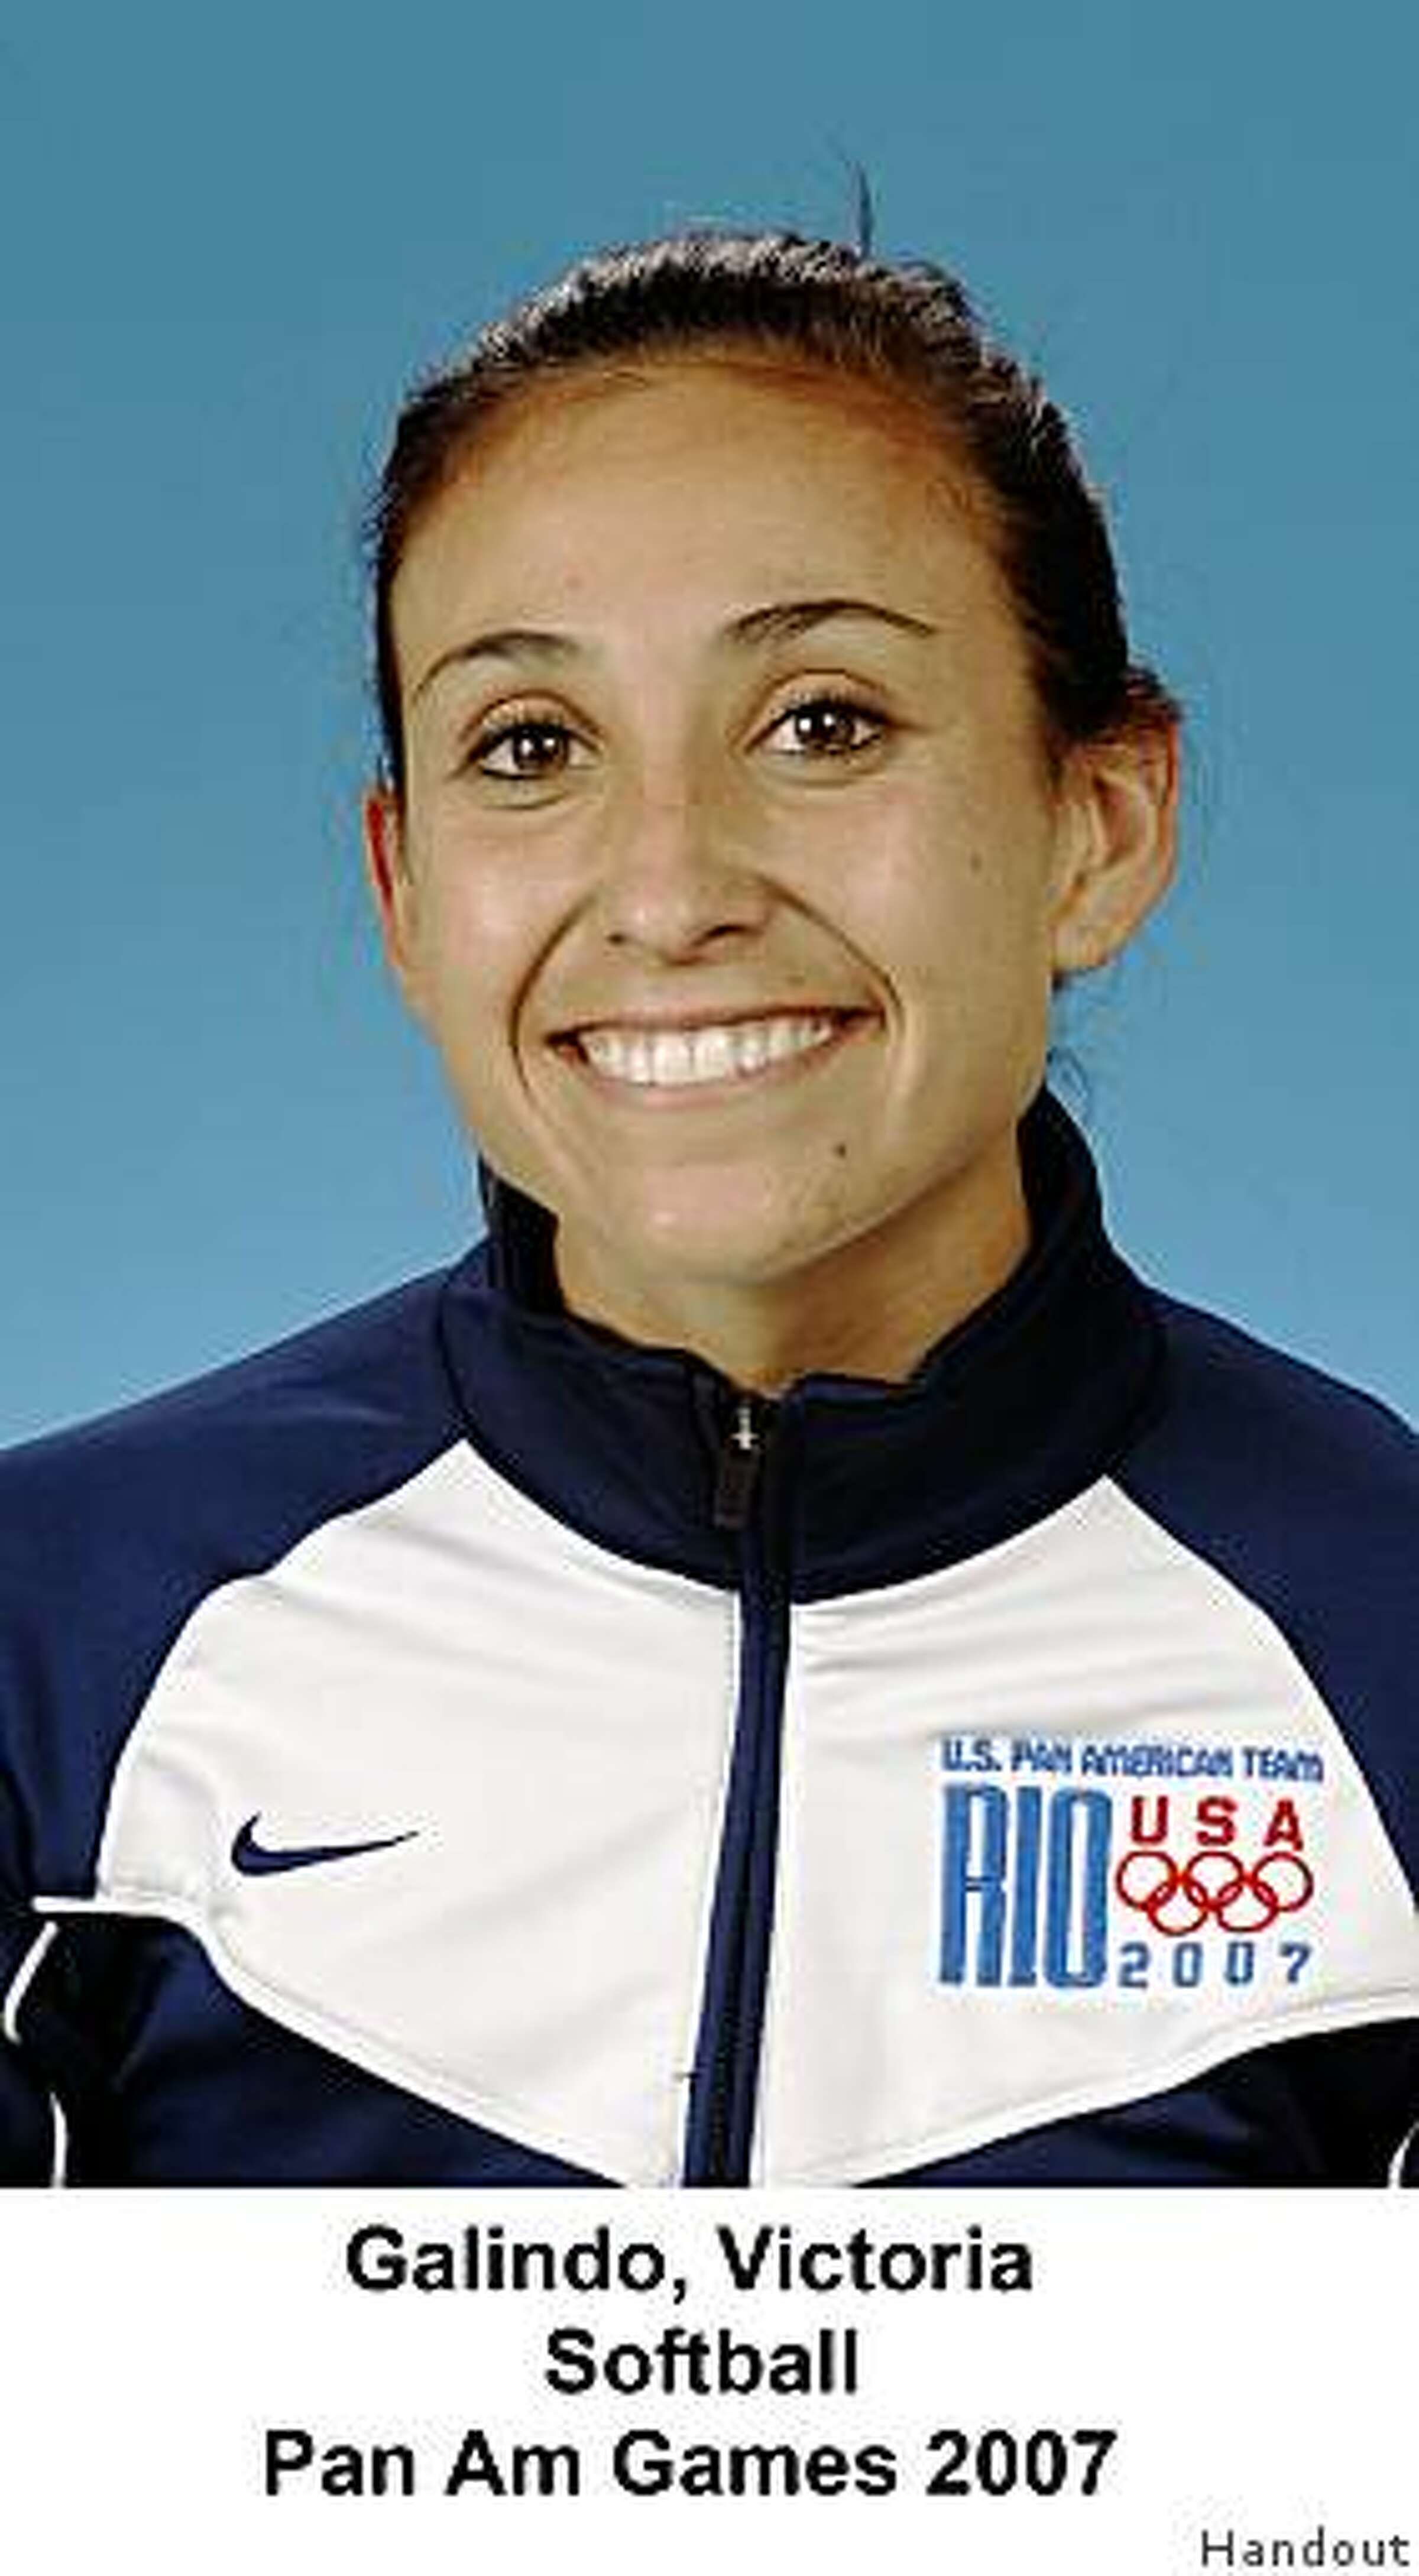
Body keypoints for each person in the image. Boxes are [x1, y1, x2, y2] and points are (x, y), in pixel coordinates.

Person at [1, 231, 1414, 2187]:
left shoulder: (1386, 1650)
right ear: (404, 891)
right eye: (532, 748)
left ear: (1101, 826)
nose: (670, 894)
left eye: (822, 722)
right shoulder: (55, 1643)